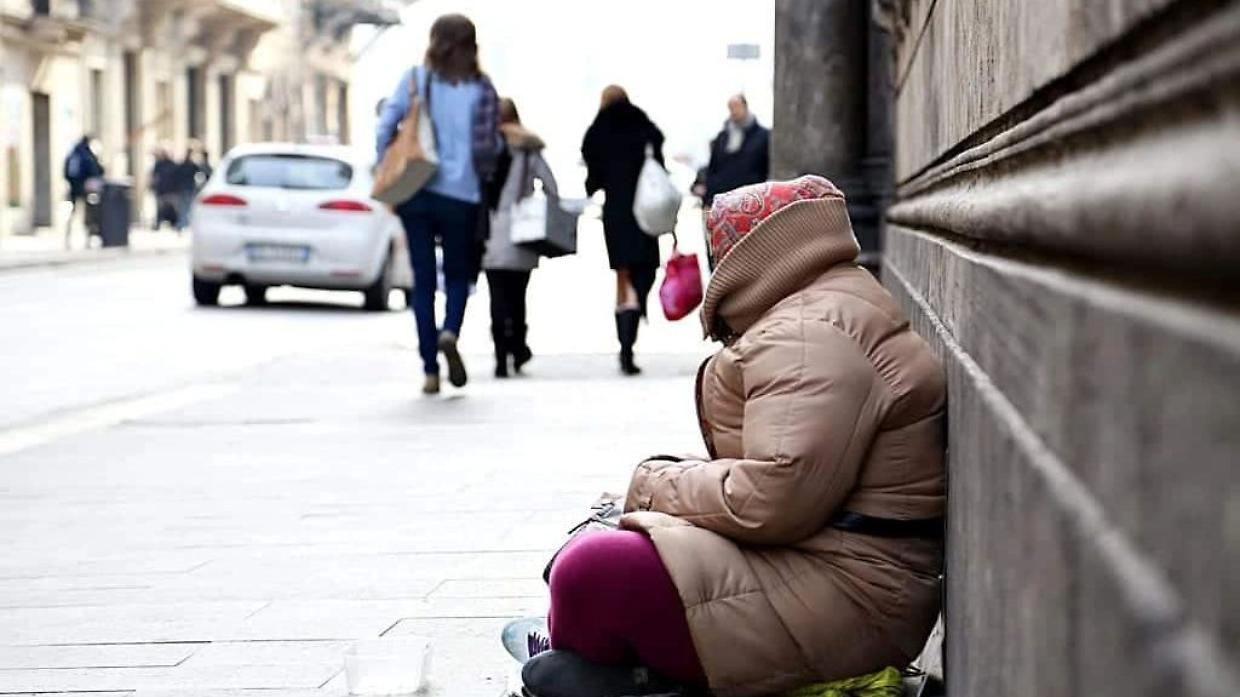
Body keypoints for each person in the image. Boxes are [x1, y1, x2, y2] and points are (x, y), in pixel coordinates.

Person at [530, 176, 948, 696]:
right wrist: (661, 489)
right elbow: (782, 475)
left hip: (851, 601)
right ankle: (602, 667)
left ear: (750, 254)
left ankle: (612, 671)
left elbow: (772, 499)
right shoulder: (822, 309)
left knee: (590, 572)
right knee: (607, 538)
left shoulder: (806, 333)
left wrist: (652, 484)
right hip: (835, 571)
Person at [376, 13, 500, 395]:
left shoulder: (416, 79)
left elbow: (385, 126)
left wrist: (387, 165)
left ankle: (430, 368)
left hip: (416, 191)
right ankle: (450, 332)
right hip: (461, 196)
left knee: (424, 281)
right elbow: (489, 151)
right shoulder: (482, 88)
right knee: (459, 275)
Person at [581, 86, 664, 376]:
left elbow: (592, 181)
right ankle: (633, 317)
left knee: (624, 274)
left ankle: (626, 339)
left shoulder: (598, 132)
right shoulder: (644, 127)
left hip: (616, 213)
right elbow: (660, 161)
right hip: (645, 211)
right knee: (648, 268)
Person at [482, 98, 557, 379]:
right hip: (523, 232)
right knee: (517, 296)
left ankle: (500, 357)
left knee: (496, 296)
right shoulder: (529, 149)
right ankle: (518, 348)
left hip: (491, 231)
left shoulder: (484, 147)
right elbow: (551, 186)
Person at [702, 94, 769, 269]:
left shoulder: (763, 137)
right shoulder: (722, 138)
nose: (733, 112)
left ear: (745, 107)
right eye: (730, 108)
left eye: (736, 107)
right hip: (723, 202)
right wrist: (708, 201)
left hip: (750, 203)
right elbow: (713, 169)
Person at [63, 135, 104, 249]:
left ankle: (67, 238)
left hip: (73, 188)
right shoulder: (87, 155)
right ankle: (88, 238)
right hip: (86, 188)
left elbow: (66, 171)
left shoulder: (72, 154)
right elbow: (96, 170)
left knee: (73, 213)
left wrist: (71, 182)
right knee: (89, 214)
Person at [150, 147, 179, 231]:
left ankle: (173, 223)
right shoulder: (160, 164)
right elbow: (155, 177)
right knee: (160, 209)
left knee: (169, 208)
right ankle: (160, 224)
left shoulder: (172, 165)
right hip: (163, 190)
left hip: (168, 190)